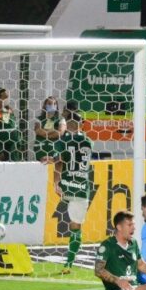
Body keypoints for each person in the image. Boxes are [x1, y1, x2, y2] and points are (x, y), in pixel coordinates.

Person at [53, 105, 94, 273]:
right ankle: (69, 262)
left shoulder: (64, 140)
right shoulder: (88, 141)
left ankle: (69, 263)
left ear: (69, 123)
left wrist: (56, 182)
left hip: (67, 184)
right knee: (75, 225)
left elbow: (59, 161)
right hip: (81, 186)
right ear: (81, 124)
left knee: (74, 226)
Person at [0, 88, 23, 161]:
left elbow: (14, 126)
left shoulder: (9, 110)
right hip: (2, 146)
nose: (7, 99)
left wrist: (19, 141)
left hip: (14, 146)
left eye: (8, 97)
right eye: (5, 97)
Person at [34, 96, 66, 163]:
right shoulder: (39, 119)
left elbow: (60, 132)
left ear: (56, 106)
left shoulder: (61, 119)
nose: (52, 105)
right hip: (40, 149)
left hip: (55, 149)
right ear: (45, 105)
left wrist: (45, 133)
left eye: (54, 104)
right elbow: (38, 131)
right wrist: (53, 130)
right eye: (49, 103)